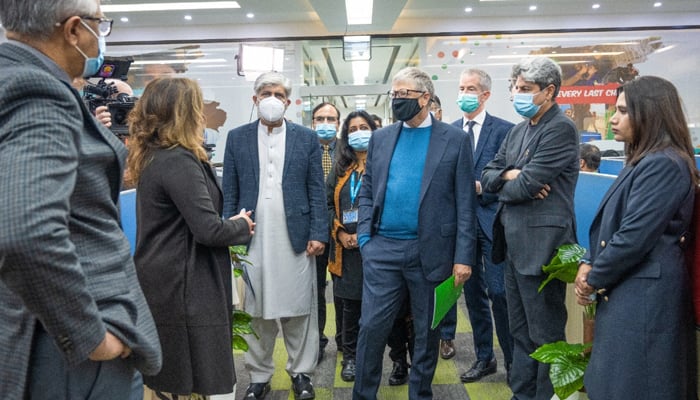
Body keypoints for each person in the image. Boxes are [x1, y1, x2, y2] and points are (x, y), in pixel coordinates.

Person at [0, 1, 162, 398]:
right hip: (67, 354)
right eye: (99, 26)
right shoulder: (37, 90)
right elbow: (25, 231)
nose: (100, 38)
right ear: (73, 30)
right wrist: (90, 336)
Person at [353, 67, 477, 400]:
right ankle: (362, 395)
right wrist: (366, 238)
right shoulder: (381, 137)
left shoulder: (455, 140)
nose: (395, 100)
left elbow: (466, 204)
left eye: (403, 95)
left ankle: (420, 394)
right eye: (393, 95)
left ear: (425, 98)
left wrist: (463, 257)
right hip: (383, 250)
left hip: (432, 253)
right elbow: (367, 189)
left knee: (427, 332)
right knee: (371, 329)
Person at [126, 77, 255, 398]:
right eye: (197, 108)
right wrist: (242, 225)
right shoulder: (177, 161)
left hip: (175, 280)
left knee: (179, 379)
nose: (202, 116)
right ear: (183, 113)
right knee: (190, 379)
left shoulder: (161, 156)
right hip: (184, 287)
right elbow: (209, 230)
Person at [575, 76, 699, 400]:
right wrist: (589, 263)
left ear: (650, 113)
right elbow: (615, 227)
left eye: (623, 111)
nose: (613, 119)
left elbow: (633, 237)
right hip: (631, 287)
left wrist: (593, 277)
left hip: (646, 297)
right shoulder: (643, 159)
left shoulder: (664, 164)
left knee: (638, 384)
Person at [222, 71, 327, 400]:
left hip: (296, 236)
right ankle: (258, 375)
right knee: (254, 309)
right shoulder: (237, 137)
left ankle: (301, 374)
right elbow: (230, 191)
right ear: (255, 98)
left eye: (279, 94)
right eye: (266, 92)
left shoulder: (306, 138)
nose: (272, 98)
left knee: (299, 309)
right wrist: (229, 231)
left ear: (288, 101)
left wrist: (318, 231)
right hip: (251, 237)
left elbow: (316, 190)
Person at [481, 56, 578, 400]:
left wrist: (514, 180)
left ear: (549, 91)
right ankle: (522, 394)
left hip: (543, 248)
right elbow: (489, 175)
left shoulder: (561, 128)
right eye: (515, 88)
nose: (517, 94)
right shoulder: (518, 130)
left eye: (525, 89)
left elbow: (526, 186)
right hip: (511, 245)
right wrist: (511, 174)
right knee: (519, 332)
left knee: (546, 336)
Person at [440, 68, 515, 383]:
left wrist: (483, 187)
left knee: (499, 292)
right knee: (472, 296)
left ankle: (515, 364)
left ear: (485, 94)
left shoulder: (505, 131)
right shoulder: (450, 132)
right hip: (461, 226)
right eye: (461, 88)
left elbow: (514, 176)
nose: (464, 94)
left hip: (493, 221)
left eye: (471, 88)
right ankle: (486, 358)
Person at [326, 110, 377, 382]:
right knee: (349, 308)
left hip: (378, 249)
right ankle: (350, 358)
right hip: (345, 251)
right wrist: (341, 232)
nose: (359, 132)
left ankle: (388, 359)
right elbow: (325, 205)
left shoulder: (384, 165)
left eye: (364, 126)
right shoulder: (340, 169)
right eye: (353, 128)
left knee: (382, 308)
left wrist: (366, 234)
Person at [311, 101, 340, 363]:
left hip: (344, 230)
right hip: (315, 231)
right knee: (316, 289)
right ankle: (318, 341)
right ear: (312, 123)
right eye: (320, 119)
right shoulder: (305, 149)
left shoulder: (350, 149)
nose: (325, 124)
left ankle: (345, 340)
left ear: (338, 124)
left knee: (344, 291)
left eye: (331, 119)